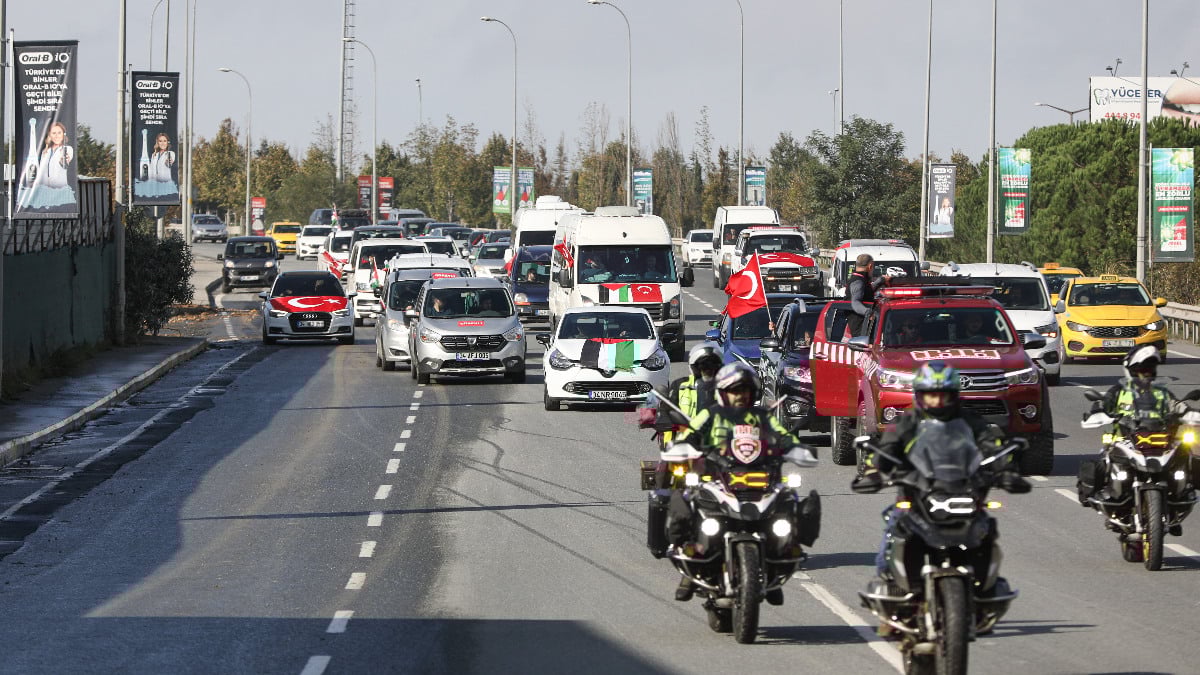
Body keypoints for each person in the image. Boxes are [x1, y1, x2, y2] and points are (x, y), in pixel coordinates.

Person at [851, 361, 1030, 586]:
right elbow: (887, 448)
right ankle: (888, 581)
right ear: (919, 395)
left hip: (964, 487)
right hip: (918, 490)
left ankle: (986, 582)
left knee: (986, 527)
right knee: (894, 526)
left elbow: (991, 444)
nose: (936, 401)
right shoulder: (906, 421)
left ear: (953, 395)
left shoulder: (970, 420)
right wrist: (874, 472)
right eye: (930, 395)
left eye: (942, 395)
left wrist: (1006, 469)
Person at [668, 362, 819, 602]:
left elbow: (784, 436)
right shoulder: (711, 414)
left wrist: (798, 450)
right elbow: (688, 436)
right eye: (735, 391)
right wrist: (681, 448)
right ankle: (690, 567)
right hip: (715, 479)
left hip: (760, 481)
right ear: (723, 392)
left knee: (792, 502)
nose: (740, 396)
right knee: (681, 502)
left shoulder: (762, 417)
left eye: (745, 391)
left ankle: (775, 561)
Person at [640, 343, 723, 560]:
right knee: (661, 489)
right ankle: (658, 541)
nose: (708, 370)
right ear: (693, 367)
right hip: (681, 449)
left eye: (713, 365)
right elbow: (654, 410)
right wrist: (658, 418)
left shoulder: (729, 390)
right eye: (703, 366)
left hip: (718, 450)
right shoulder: (678, 387)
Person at [1079, 345, 1180, 504]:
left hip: (1159, 442)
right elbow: (1102, 404)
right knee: (1101, 464)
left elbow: (1177, 407)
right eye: (1141, 368)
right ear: (1130, 369)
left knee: (1184, 454)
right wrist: (1098, 411)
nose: (1146, 372)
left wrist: (1185, 412)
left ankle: (1181, 492)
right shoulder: (1119, 391)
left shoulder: (1162, 393)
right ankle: (1110, 493)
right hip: (1125, 442)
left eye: (1150, 368)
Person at [19, 121, 76, 210]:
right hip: (44, 192)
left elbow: (65, 161)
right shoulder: (45, 152)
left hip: (60, 192)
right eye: (54, 133)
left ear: (63, 134)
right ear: (49, 135)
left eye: (59, 133)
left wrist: (64, 159)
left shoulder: (67, 149)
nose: (57, 135)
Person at [846, 254, 890, 338]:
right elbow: (855, 302)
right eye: (873, 268)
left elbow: (866, 292)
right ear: (870, 266)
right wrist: (869, 313)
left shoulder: (860, 279)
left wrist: (880, 280)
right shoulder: (858, 281)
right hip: (861, 330)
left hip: (865, 327)